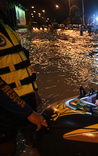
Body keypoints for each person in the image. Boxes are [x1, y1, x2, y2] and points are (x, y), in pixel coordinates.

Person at [0, 0, 44, 150]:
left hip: (26, 99)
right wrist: (27, 112)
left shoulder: (6, 27)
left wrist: (35, 91)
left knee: (33, 141)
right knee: (7, 148)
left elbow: (23, 63)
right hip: (5, 107)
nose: (5, 2)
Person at [0, 76, 47, 156]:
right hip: (4, 105)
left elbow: (26, 68)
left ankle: (30, 148)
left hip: (26, 96)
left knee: (30, 133)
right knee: (7, 145)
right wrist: (28, 113)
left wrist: (34, 91)